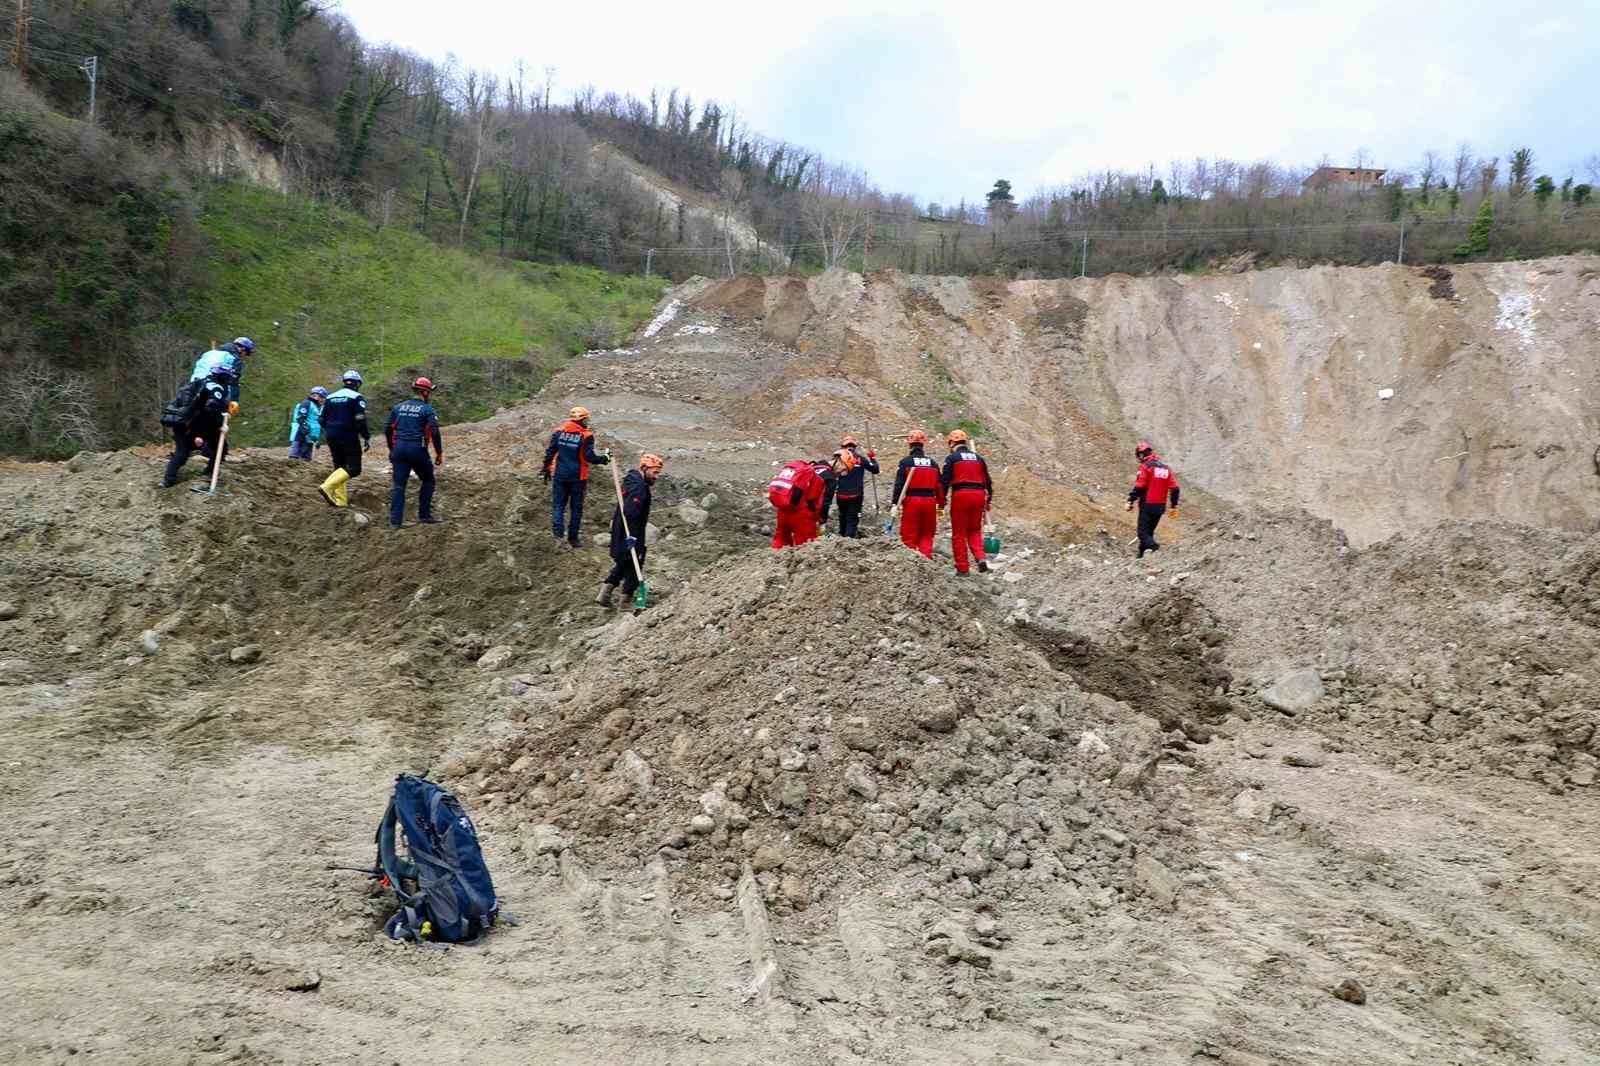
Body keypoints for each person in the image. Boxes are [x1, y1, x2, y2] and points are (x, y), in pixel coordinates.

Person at [597, 453, 664, 608]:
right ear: (644, 468)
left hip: (621, 529)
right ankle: (625, 603)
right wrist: (632, 537)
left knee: (624, 562)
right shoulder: (639, 488)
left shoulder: (632, 480)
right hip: (630, 532)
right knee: (635, 566)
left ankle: (604, 594)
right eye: (654, 472)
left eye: (658, 473)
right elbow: (631, 512)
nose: (657, 476)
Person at [542, 405, 610, 548]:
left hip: (560, 475)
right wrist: (604, 458)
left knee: (558, 506)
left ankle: (558, 537)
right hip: (578, 477)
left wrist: (546, 468)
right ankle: (573, 539)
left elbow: (550, 452)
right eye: (586, 419)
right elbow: (589, 457)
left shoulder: (559, 432)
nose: (587, 422)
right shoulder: (586, 436)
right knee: (576, 509)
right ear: (582, 419)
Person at [162, 365, 235, 487]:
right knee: (183, 453)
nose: (230, 380)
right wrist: (216, 427)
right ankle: (168, 481)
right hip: (192, 425)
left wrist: (224, 412)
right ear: (223, 377)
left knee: (219, 447)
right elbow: (210, 409)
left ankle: (208, 472)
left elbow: (211, 408)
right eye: (229, 377)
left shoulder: (204, 382)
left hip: (186, 421)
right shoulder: (216, 388)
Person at [385, 377, 444, 528]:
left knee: (399, 485)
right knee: (428, 480)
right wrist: (439, 452)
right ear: (425, 392)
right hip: (417, 449)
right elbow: (435, 431)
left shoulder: (398, 408)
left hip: (399, 449)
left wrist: (392, 449)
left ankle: (395, 522)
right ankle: (424, 516)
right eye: (429, 392)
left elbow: (387, 429)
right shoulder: (427, 409)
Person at [940, 429, 994, 575]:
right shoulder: (979, 458)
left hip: (961, 495)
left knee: (959, 533)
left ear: (952, 443)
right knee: (975, 530)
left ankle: (962, 568)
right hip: (979, 496)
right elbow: (988, 481)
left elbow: (944, 481)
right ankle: (981, 557)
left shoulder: (952, 458)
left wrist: (941, 501)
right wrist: (988, 500)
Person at [317, 370, 370, 508]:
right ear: (357, 384)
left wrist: (331, 429)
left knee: (340, 467)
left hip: (331, 435)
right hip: (348, 434)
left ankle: (341, 501)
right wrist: (366, 436)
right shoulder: (357, 397)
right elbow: (360, 418)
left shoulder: (330, 397)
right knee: (354, 468)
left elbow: (321, 419)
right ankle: (327, 486)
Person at [889, 430, 944, 559]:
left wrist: (895, 503)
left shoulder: (905, 462)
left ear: (910, 444)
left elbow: (899, 485)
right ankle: (926, 560)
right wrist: (941, 504)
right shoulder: (933, 463)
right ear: (923, 444)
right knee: (927, 535)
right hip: (930, 502)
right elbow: (939, 486)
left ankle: (912, 563)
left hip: (912, 501)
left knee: (909, 535)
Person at [1126, 440, 1180, 558]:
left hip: (1147, 504)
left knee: (1142, 533)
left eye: (1138, 456)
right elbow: (1175, 488)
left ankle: (1155, 548)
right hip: (1160, 507)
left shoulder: (1146, 467)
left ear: (1141, 455)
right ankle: (1141, 555)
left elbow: (1140, 486)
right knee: (1148, 532)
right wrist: (1173, 506)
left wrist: (1130, 500)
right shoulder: (1166, 468)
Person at [767, 458, 827, 549]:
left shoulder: (794, 470)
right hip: (801, 514)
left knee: (781, 540)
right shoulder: (816, 478)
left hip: (783, 510)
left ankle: (776, 556)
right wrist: (818, 519)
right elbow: (813, 502)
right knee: (805, 545)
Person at [833, 435, 879, 537]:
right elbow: (875, 469)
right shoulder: (860, 459)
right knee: (852, 520)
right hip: (856, 495)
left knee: (843, 517)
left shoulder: (838, 460)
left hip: (841, 495)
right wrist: (872, 458)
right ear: (855, 447)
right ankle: (848, 541)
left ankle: (841, 538)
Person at [189, 337, 255, 402]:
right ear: (243, 349)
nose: (244, 356)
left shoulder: (208, 353)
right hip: (212, 391)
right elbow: (233, 382)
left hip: (192, 386)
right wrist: (234, 401)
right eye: (247, 353)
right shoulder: (234, 360)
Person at [288, 386, 328, 461]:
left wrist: (317, 440)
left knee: (306, 459)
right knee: (295, 457)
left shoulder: (317, 407)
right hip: (301, 435)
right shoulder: (307, 403)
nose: (323, 400)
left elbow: (316, 423)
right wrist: (304, 428)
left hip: (310, 437)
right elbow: (300, 417)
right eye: (322, 397)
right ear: (317, 396)